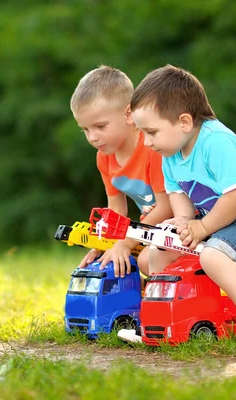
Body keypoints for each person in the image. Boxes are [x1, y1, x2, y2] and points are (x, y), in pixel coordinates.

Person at [120, 65, 236, 347]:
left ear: (184, 122)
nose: (147, 142)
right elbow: (178, 194)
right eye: (142, 133)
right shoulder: (171, 153)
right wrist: (183, 220)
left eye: (151, 132)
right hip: (223, 218)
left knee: (213, 256)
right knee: (161, 248)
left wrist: (202, 226)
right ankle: (159, 321)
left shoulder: (215, 142)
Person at [70, 65, 172, 278]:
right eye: (85, 130)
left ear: (128, 114)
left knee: (144, 260)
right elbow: (116, 209)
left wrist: (126, 243)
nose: (92, 137)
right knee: (109, 261)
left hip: (181, 224)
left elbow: (166, 207)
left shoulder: (152, 146)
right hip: (151, 230)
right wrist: (104, 243)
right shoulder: (104, 157)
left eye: (100, 126)